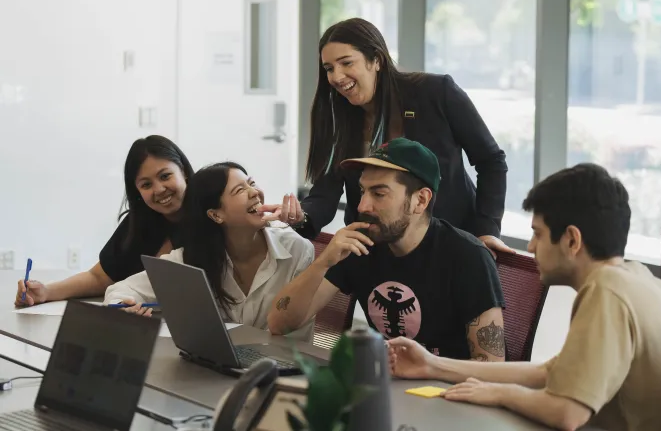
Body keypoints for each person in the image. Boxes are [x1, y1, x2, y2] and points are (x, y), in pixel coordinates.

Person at [387, 163, 661, 431]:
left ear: (571, 240)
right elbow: (546, 373)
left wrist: (499, 393)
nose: (530, 247)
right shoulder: (645, 283)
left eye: (537, 234)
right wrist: (432, 365)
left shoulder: (606, 291)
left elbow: (567, 413)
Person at [277, 17, 513, 258]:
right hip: (378, 252)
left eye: (346, 63)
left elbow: (491, 161)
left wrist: (487, 229)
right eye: (329, 68)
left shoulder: (435, 92)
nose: (337, 76)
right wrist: (300, 216)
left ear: (376, 60)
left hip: (450, 244)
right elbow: (325, 192)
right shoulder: (341, 116)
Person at [268, 138, 505, 360]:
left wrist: (427, 369)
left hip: (448, 394)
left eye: (379, 194)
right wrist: (323, 262)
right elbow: (279, 325)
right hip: (383, 385)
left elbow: (491, 368)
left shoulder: (468, 256)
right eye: (362, 191)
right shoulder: (360, 244)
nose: (362, 205)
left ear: (420, 200)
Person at [103, 162, 316, 340]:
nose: (255, 192)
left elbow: (297, 336)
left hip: (279, 370)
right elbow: (123, 289)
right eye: (240, 190)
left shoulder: (297, 250)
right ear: (216, 215)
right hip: (217, 370)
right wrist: (123, 307)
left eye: (251, 183)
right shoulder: (193, 257)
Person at [15, 135, 194, 307]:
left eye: (165, 176)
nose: (159, 189)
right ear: (137, 191)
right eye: (146, 185)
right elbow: (100, 277)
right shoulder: (140, 222)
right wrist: (45, 292)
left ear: (183, 171)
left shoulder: (211, 217)